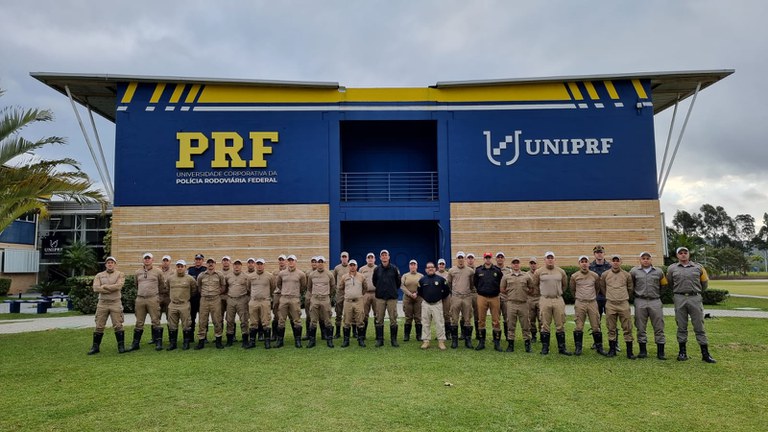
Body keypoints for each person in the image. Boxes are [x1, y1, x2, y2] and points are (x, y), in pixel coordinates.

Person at [667, 246, 716, 363]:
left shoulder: (699, 267)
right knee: (681, 325)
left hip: (695, 297)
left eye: (685, 253)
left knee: (699, 326)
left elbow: (704, 283)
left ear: (689, 254)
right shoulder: (672, 268)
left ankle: (705, 354)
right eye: (680, 253)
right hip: (679, 298)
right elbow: (670, 283)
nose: (683, 255)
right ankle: (682, 352)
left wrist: (696, 292)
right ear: (677, 255)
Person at [630, 252, 668, 360]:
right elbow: (631, 285)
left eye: (648, 258)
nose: (645, 260)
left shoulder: (659, 271)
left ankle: (660, 352)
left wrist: (658, 295)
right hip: (640, 300)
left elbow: (664, 285)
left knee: (659, 326)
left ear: (651, 260)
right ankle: (643, 351)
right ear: (640, 260)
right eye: (643, 258)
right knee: (640, 326)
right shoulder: (634, 271)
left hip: (655, 301)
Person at [532, 252, 571, 355]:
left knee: (560, 323)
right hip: (545, 299)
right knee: (545, 324)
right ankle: (545, 348)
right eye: (548, 258)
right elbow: (535, 285)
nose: (550, 260)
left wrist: (557, 292)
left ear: (554, 259)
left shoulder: (561, 272)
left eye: (551, 258)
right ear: (544, 259)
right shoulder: (539, 272)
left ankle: (562, 348)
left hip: (558, 299)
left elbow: (564, 285)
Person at [568, 256, 605, 355]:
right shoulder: (574, 276)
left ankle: (599, 348)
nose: (584, 264)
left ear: (589, 263)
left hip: (592, 302)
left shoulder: (595, 275)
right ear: (579, 263)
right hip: (580, 303)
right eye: (582, 261)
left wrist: (592, 297)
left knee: (596, 326)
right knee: (579, 326)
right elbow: (572, 289)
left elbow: (597, 288)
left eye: (586, 261)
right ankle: (578, 348)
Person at [88, 257, 126, 355]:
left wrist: (104, 287)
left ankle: (121, 346)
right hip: (102, 304)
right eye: (108, 262)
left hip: (115, 303)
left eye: (112, 262)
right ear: (105, 264)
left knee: (118, 325)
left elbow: (119, 286)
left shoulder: (120, 274)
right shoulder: (99, 275)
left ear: (115, 264)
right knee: (99, 325)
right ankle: (95, 347)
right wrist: (111, 288)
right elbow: (95, 288)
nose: (110, 264)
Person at [600, 255, 636, 359]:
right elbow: (602, 287)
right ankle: (612, 350)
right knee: (611, 327)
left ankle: (630, 352)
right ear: (610, 262)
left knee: (627, 327)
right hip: (610, 304)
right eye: (613, 260)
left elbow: (630, 288)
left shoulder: (626, 275)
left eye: (617, 261)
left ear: (621, 262)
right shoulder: (605, 274)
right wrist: (610, 296)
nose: (615, 262)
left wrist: (623, 296)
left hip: (623, 303)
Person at [130, 252, 165, 352]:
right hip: (140, 299)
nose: (147, 260)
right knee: (139, 322)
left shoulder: (158, 272)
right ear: (143, 260)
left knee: (155, 320)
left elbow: (162, 285)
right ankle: (135, 344)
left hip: (153, 298)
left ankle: (158, 343)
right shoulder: (137, 272)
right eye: (145, 258)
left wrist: (158, 297)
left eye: (149, 258)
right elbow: (136, 284)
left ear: (152, 260)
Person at [500, 257, 535, 353]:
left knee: (526, 325)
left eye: (517, 263)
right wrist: (510, 294)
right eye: (514, 263)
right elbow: (502, 289)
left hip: (523, 304)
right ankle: (510, 345)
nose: (516, 265)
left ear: (520, 264)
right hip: (511, 303)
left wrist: (525, 293)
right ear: (511, 265)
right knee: (510, 325)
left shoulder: (526, 276)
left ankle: (528, 345)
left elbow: (531, 288)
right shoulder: (507, 276)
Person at [473, 252, 503, 351]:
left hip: (495, 297)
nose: (488, 259)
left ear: (491, 259)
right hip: (482, 297)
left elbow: (501, 282)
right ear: (483, 259)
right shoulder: (478, 270)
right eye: (486, 258)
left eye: (489, 258)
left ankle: (497, 342)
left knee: (496, 320)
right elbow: (475, 283)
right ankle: (481, 342)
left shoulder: (497, 271)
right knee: (481, 320)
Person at [165, 259, 197, 350]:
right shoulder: (170, 278)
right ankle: (173, 343)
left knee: (186, 324)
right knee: (172, 324)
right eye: (178, 266)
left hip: (184, 304)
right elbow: (167, 289)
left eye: (181, 266)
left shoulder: (190, 279)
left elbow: (194, 290)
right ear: (176, 267)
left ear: (185, 267)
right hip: (173, 304)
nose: (180, 268)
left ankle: (186, 343)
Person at [417, 262, 451, 350]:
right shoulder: (422, 280)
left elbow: (446, 291)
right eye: (428, 267)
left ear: (435, 269)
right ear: (425, 270)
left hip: (437, 304)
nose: (430, 269)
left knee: (439, 323)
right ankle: (426, 341)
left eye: (432, 267)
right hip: (426, 304)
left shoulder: (441, 279)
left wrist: (439, 297)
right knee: (425, 323)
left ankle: (441, 341)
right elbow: (420, 291)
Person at [276, 255, 307, 348]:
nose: (291, 262)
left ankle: (297, 341)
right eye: (289, 260)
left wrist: (295, 292)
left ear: (296, 261)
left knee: (297, 320)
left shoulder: (301, 274)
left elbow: (303, 286)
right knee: (281, 320)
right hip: (284, 298)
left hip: (295, 298)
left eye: (292, 260)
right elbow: (279, 284)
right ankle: (280, 341)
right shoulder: (282, 273)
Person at [195, 258, 226, 349]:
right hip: (204, 300)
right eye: (209, 263)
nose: (210, 264)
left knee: (217, 320)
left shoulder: (219, 275)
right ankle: (201, 341)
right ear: (206, 264)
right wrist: (205, 294)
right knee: (202, 321)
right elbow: (199, 287)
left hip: (215, 299)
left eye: (212, 263)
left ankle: (218, 341)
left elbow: (223, 287)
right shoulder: (201, 275)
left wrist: (216, 294)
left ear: (215, 264)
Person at [372, 249, 400, 347]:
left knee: (393, 319)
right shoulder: (377, 270)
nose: (384, 257)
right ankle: (380, 340)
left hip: (391, 298)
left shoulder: (394, 269)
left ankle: (394, 340)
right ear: (380, 258)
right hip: (380, 298)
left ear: (389, 257)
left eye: (386, 255)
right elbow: (374, 282)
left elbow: (398, 283)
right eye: (382, 255)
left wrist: (391, 289)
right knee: (379, 319)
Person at [245, 258, 275, 349]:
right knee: (253, 322)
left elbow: (272, 287)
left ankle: (267, 342)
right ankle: (252, 342)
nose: (259, 266)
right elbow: (248, 287)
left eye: (261, 264)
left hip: (265, 301)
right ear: (255, 265)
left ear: (264, 265)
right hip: (254, 301)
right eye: (258, 264)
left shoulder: (269, 276)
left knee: (266, 321)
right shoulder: (250, 276)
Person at [447, 251, 475, 349]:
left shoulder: (470, 271)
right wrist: (454, 292)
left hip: (467, 297)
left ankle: (468, 340)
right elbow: (449, 283)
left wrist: (467, 292)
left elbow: (472, 284)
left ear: (464, 258)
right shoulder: (451, 270)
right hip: (455, 297)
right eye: (458, 257)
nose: (460, 259)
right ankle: (454, 341)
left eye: (462, 257)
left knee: (467, 319)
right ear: (456, 259)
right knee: (454, 319)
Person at [338, 259, 369, 347]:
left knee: (360, 320)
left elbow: (365, 288)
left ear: (356, 266)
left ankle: (361, 340)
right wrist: (348, 294)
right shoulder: (344, 277)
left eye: (354, 265)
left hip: (358, 301)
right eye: (351, 265)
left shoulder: (361, 276)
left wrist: (358, 295)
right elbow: (341, 288)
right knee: (347, 321)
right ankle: (346, 341)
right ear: (348, 266)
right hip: (348, 302)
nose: (352, 267)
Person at [307, 256, 336, 348]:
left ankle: (329, 340)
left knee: (327, 320)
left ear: (324, 263)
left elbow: (332, 287)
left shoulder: (329, 274)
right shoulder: (312, 274)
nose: (319, 263)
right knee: (313, 320)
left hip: (325, 299)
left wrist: (327, 295)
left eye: (321, 262)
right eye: (318, 262)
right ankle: (312, 341)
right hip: (315, 298)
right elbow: (309, 287)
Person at [224, 259, 250, 348]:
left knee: (244, 321)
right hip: (231, 300)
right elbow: (225, 288)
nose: (237, 266)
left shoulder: (246, 276)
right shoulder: (228, 276)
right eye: (235, 264)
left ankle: (245, 340)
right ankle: (230, 340)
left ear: (241, 266)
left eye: (238, 265)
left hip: (242, 300)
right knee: (229, 320)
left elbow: (249, 288)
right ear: (232, 265)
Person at [401, 259, 424, 342]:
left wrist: (416, 293)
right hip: (407, 298)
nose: (413, 266)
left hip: (418, 298)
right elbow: (402, 286)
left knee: (418, 317)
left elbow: (423, 286)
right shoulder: (405, 275)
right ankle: (406, 335)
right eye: (411, 264)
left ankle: (419, 335)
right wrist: (410, 294)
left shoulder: (421, 276)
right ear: (409, 266)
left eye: (414, 264)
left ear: (417, 266)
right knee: (408, 317)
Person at [358, 252, 377, 341]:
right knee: (364, 315)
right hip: (365, 294)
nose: (370, 259)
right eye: (368, 257)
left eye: (371, 257)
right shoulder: (362, 269)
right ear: (366, 259)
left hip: (376, 294)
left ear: (374, 259)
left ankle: (378, 336)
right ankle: (362, 335)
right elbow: (358, 282)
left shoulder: (378, 268)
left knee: (377, 315)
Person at [495, 252, 512, 346]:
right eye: (498, 257)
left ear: (504, 259)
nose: (500, 259)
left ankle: (507, 336)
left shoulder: (509, 271)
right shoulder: (493, 269)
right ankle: (497, 337)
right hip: (495, 297)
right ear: (496, 259)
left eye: (502, 257)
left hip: (505, 297)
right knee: (496, 318)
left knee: (507, 318)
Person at [187, 253, 207, 332]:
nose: (198, 261)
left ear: (202, 261)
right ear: (194, 260)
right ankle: (191, 336)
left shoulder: (205, 270)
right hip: (192, 297)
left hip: (202, 297)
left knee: (203, 317)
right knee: (191, 317)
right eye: (197, 259)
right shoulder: (190, 270)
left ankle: (203, 336)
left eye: (200, 259)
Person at [333, 251, 351, 339]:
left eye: (345, 257)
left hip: (349, 293)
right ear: (340, 258)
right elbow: (334, 281)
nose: (344, 258)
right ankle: (337, 332)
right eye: (342, 257)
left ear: (348, 258)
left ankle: (353, 332)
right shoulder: (337, 268)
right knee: (338, 313)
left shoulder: (351, 267)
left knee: (350, 313)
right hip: (339, 293)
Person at [270, 254, 288, 342]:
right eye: (280, 260)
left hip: (286, 296)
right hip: (277, 295)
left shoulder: (290, 271)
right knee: (276, 316)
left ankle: (296, 337)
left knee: (292, 316)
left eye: (283, 260)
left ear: (286, 261)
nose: (281, 262)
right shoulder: (274, 272)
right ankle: (274, 335)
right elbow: (272, 284)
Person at [526, 257, 541, 343]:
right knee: (531, 318)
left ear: (537, 264)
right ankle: (533, 335)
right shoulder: (526, 274)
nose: (533, 265)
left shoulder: (540, 273)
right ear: (529, 265)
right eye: (531, 263)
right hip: (530, 298)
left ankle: (542, 335)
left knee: (541, 318)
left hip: (539, 297)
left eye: (534, 263)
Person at [436, 258, 452, 340]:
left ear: (445, 265)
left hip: (446, 297)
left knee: (446, 314)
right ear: (438, 265)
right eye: (440, 264)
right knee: (438, 315)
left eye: (443, 264)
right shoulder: (434, 274)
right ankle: (439, 333)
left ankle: (448, 333)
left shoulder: (449, 274)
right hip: (437, 297)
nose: (441, 265)